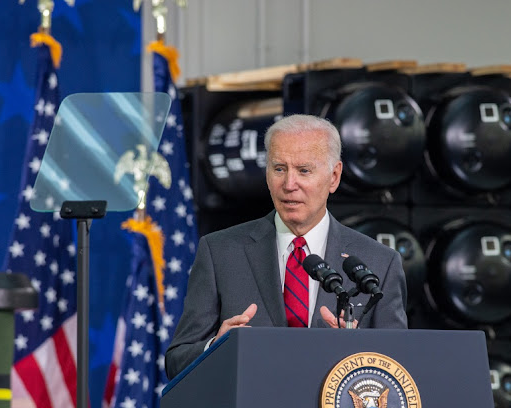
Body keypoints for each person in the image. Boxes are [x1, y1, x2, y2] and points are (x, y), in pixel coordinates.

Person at [165, 114, 408, 379]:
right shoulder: (220, 252)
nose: (289, 185)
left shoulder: (380, 263)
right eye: (279, 169)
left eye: (304, 170)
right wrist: (216, 348)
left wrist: (356, 351)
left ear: (334, 177)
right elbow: (177, 361)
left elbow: (399, 370)